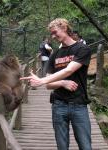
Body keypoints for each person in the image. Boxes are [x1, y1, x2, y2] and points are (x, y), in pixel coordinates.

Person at [21, 18, 92, 150]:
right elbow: (49, 85)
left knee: (85, 145)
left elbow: (69, 70)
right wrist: (62, 82)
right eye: (51, 34)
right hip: (59, 105)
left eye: (55, 32)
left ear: (64, 28)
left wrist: (41, 80)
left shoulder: (82, 49)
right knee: (62, 146)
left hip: (79, 104)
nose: (53, 36)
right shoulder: (55, 55)